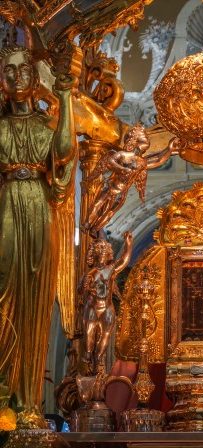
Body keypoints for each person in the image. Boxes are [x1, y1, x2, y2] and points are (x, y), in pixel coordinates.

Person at [0, 46, 77, 427]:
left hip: (39, 205)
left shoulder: (45, 125)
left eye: (24, 71)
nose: (17, 78)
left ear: (35, 79)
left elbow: (64, 152)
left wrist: (64, 95)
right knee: (5, 294)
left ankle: (27, 403)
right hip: (6, 206)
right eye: (8, 71)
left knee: (35, 300)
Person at [83, 123, 171, 236]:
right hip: (111, 186)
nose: (147, 141)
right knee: (97, 204)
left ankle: (95, 228)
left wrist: (170, 148)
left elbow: (158, 160)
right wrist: (122, 169)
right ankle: (87, 223)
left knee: (109, 213)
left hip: (122, 193)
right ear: (134, 141)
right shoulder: (123, 155)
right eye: (144, 139)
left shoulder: (142, 162)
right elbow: (110, 161)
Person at [80, 232, 133, 374]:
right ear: (95, 256)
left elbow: (123, 261)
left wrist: (128, 244)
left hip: (107, 308)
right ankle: (88, 360)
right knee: (88, 341)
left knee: (105, 337)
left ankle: (99, 360)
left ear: (108, 255)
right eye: (100, 253)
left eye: (105, 253)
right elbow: (81, 290)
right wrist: (87, 287)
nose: (102, 256)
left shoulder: (110, 270)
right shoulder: (90, 274)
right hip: (92, 308)